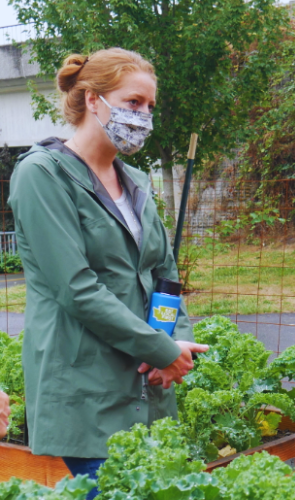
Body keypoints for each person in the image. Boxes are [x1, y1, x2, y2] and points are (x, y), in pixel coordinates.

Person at [9, 48, 207, 497]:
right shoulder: (43, 175)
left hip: (147, 384)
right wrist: (158, 347)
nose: (143, 116)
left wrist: (175, 347)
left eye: (150, 107)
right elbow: (76, 288)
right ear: (93, 99)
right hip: (85, 389)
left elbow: (164, 272)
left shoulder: (134, 180)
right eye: (133, 102)